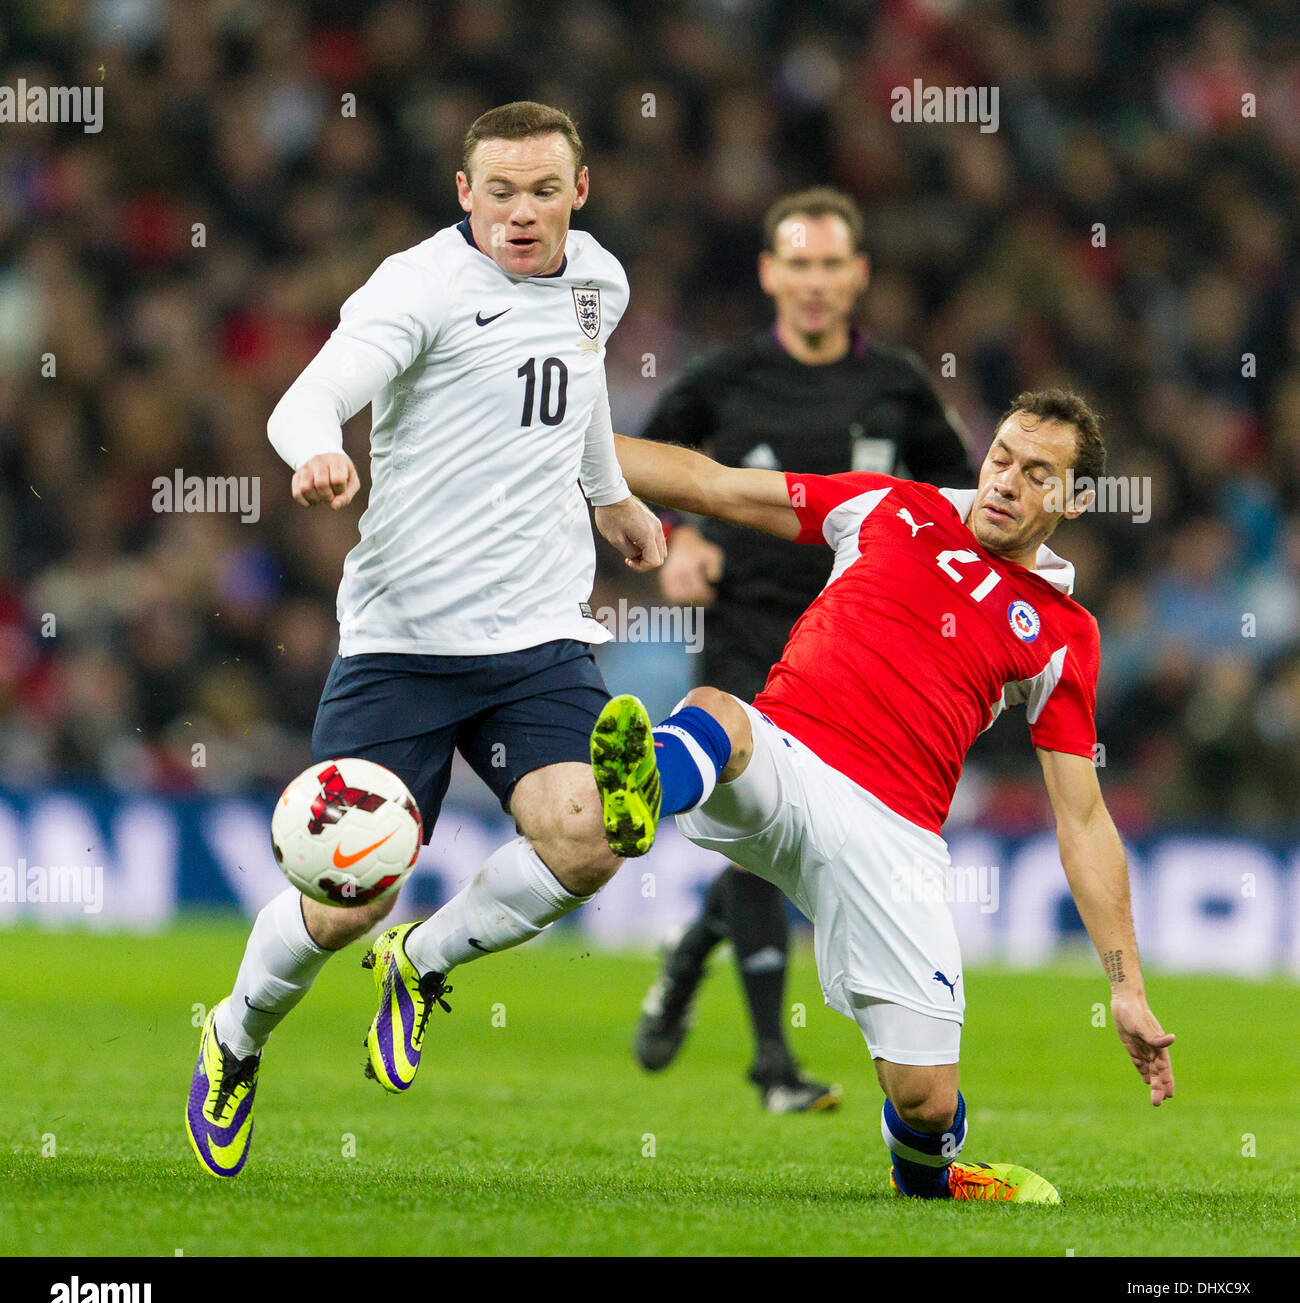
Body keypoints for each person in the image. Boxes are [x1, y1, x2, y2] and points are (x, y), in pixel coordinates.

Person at [185, 101, 665, 1178]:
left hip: (539, 633)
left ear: (578, 192)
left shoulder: (599, 282)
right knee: (342, 902)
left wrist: (611, 496)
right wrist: (316, 451)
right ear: (464, 194)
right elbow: (307, 398)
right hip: (400, 643)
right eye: (499, 193)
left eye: (544, 191)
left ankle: (425, 962)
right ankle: (235, 1033)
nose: (521, 213)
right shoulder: (417, 288)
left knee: (592, 838)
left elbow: (578, 387)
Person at [591, 390, 1175, 1201]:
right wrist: (566, 438)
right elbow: (715, 485)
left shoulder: (1062, 631)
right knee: (719, 712)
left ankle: (932, 1177)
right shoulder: (894, 507)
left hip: (895, 838)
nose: (1005, 480)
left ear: (1075, 500)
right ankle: (644, 785)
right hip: (790, 760)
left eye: (1037, 472)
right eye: (1001, 456)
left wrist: (1125, 985)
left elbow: (1080, 817)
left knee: (925, 1099)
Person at [636, 187, 974, 1112]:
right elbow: (642, 457)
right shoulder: (725, 377)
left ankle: (690, 959)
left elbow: (962, 502)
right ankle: (771, 1066)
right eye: (799, 264)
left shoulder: (898, 384)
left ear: (858, 275)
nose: (815, 282)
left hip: (854, 646)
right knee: (752, 826)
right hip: (747, 624)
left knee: (786, 844)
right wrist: (679, 536)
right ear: (770, 274)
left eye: (832, 265)